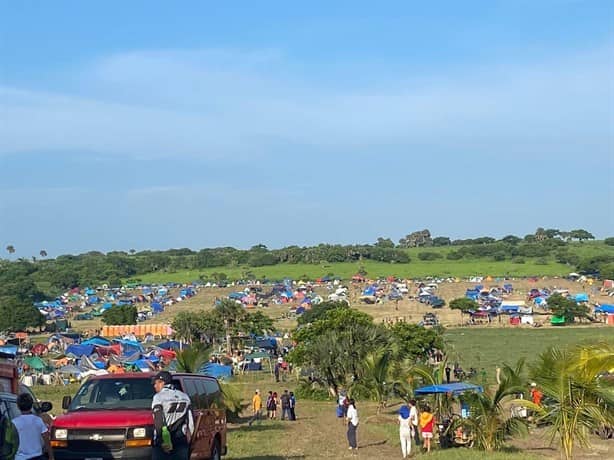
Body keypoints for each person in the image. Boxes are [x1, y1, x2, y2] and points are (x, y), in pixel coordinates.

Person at [151, 371, 194, 460]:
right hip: (181, 439)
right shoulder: (184, 396)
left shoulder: (158, 397)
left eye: (155, 383)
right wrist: (190, 440)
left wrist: (161, 440)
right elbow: (191, 422)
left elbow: (158, 420)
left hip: (164, 440)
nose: (154, 386)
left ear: (161, 382)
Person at [12, 392, 53, 460]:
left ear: (18, 406)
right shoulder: (38, 420)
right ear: (31, 405)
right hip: (38, 457)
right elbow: (46, 439)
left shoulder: (14, 422)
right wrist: (51, 456)